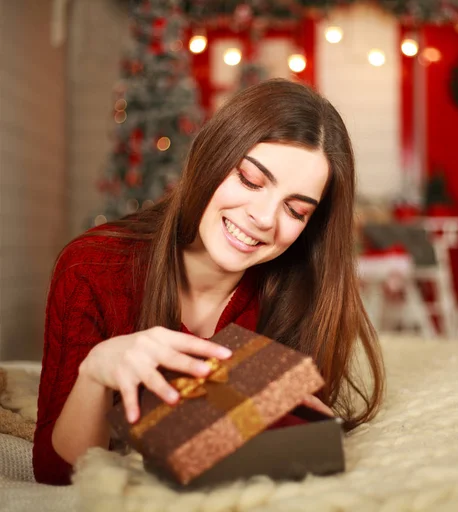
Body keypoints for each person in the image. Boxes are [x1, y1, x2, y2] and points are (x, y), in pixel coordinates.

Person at [33, 78, 385, 486]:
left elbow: (292, 449)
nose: (265, 218)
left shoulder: (300, 290)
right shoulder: (91, 267)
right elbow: (57, 473)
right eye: (251, 181)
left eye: (295, 210)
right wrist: (96, 371)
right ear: (210, 158)